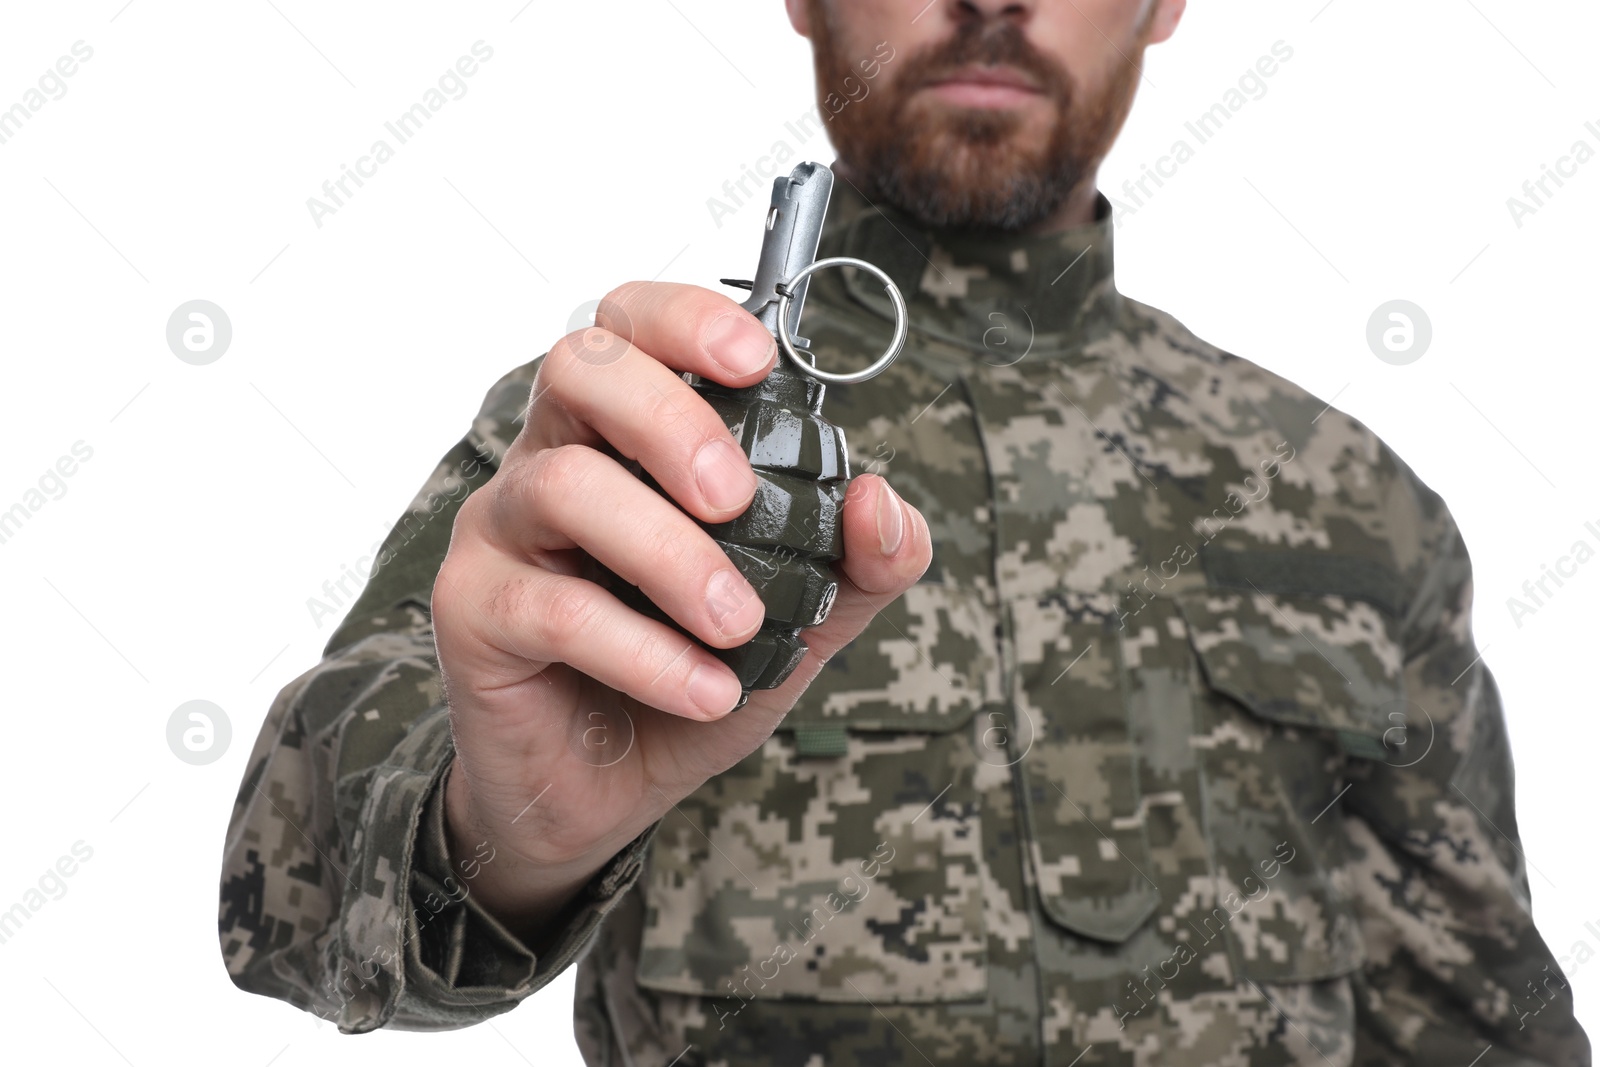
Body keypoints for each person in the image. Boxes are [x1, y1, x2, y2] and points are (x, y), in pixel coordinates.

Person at [218, 1, 1590, 1063]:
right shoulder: (631, 441)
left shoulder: (1357, 506)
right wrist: (504, 828)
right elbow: (285, 891)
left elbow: (1485, 1026)